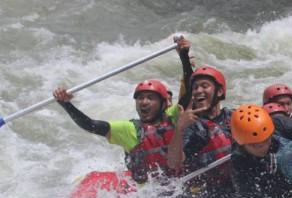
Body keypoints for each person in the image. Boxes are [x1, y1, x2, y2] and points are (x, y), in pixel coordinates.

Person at [52, 36, 193, 183]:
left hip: (180, 185)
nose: (144, 102)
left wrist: (184, 56)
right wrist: (66, 104)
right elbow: (90, 125)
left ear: (164, 104)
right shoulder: (129, 129)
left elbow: (189, 92)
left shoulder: (174, 116)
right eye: (140, 98)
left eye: (150, 98)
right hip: (148, 194)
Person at [167, 65, 237, 198]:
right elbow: (173, 163)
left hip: (237, 186)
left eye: (204, 86)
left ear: (219, 91)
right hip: (207, 194)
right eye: (195, 87)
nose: (198, 91)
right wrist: (179, 128)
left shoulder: (234, 117)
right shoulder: (192, 128)